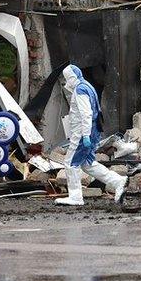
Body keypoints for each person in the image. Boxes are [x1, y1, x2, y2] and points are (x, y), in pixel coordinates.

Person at [55, 64, 127, 206]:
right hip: (90, 132)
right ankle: (118, 181)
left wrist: (86, 135)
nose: (66, 81)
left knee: (71, 163)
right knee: (88, 165)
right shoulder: (87, 86)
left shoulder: (80, 89)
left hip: (82, 134)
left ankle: (75, 197)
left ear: (71, 77)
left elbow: (86, 114)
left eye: (67, 78)